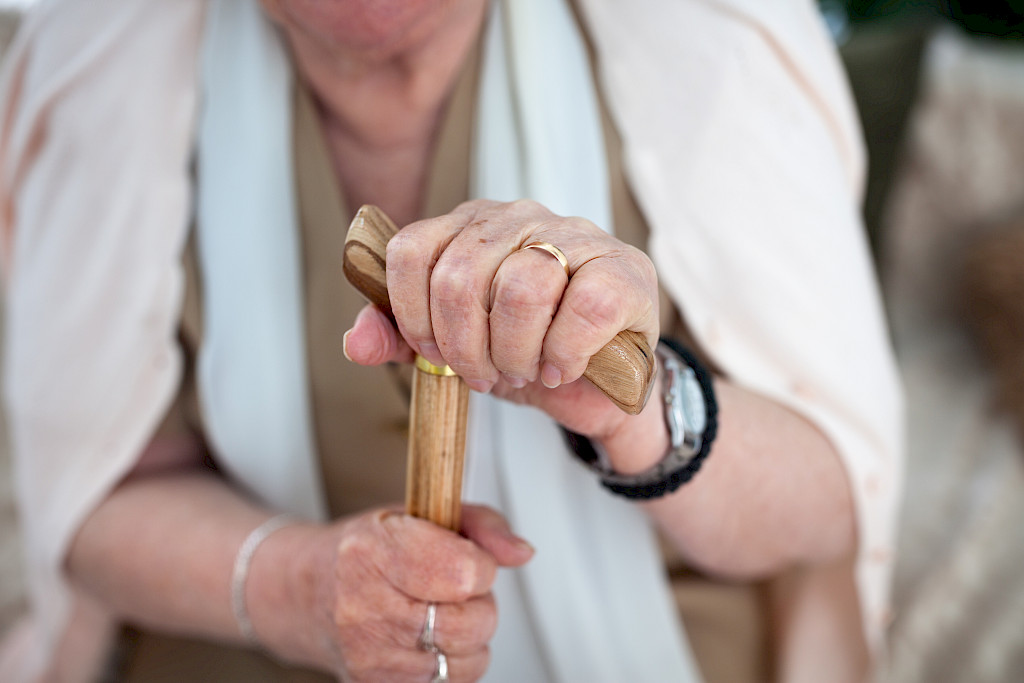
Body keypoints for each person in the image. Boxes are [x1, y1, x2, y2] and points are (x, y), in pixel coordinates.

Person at [0, 0, 902, 681]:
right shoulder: (105, 63)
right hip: (254, 652)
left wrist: (641, 408)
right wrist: (304, 588)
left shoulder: (704, 36)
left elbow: (833, 493)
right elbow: (89, 495)